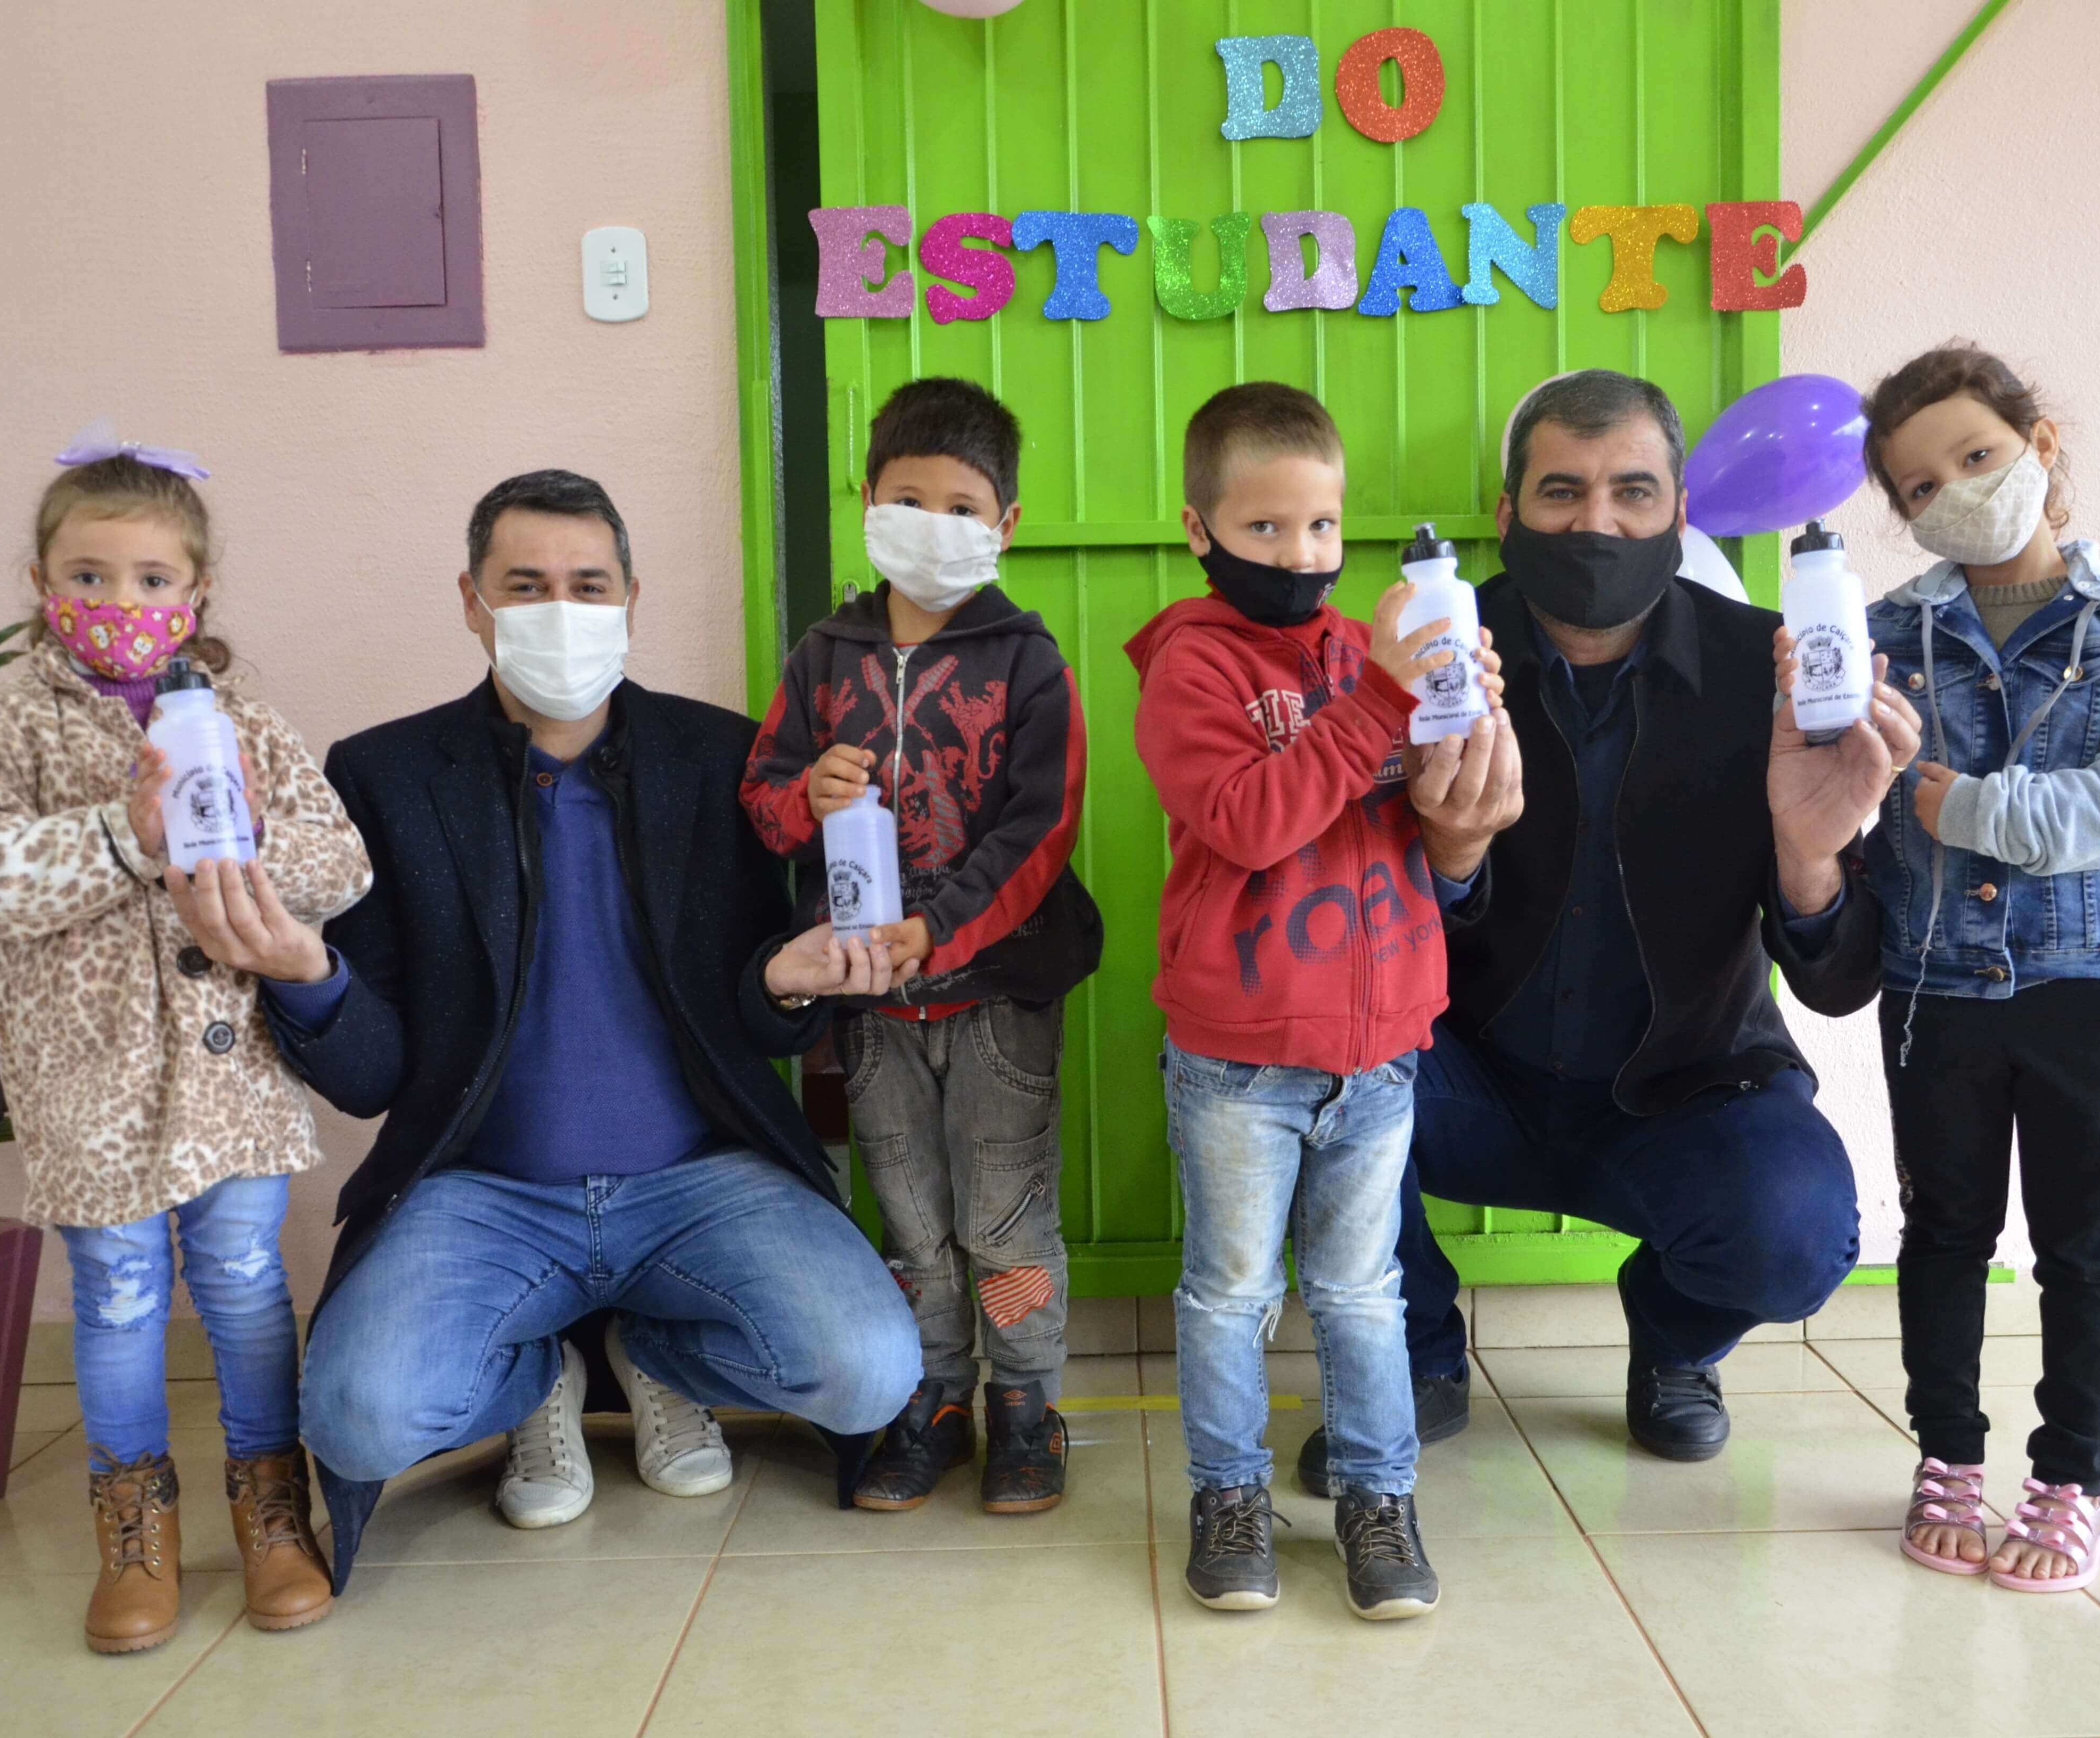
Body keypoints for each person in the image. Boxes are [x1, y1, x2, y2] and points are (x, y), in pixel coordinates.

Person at [169, 469, 923, 1591]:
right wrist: (308, 972)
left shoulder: (720, 759)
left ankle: (651, 1358)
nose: (560, 611)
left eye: (588, 584)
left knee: (867, 1372)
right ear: (472, 602)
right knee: (358, 1418)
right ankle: (537, 1382)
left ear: (631, 599)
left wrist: (785, 978)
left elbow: (752, 1024)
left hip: (702, 1181)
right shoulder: (384, 775)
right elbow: (375, 1079)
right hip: (481, 1193)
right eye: (525, 586)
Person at [1298, 369, 1923, 1494]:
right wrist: (1447, 858)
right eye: (1560, 493)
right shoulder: (1427, 663)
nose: (1596, 523)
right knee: (1282, 1077)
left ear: (1679, 513)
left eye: (1633, 494)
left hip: (1683, 1094)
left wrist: (1810, 850)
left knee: (1797, 1231)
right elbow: (1335, 934)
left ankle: (1676, 1341)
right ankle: (1416, 1355)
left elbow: (1838, 986)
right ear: (1506, 516)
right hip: (1459, 1077)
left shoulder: (1772, 668)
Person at [0, 436, 373, 1652]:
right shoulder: (6, 735)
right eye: (92, 574)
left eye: (152, 579)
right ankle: (134, 1525)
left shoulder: (245, 725)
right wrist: (121, 840)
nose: (123, 603)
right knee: (119, 1296)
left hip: (233, 1078)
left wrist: (244, 851)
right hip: (91, 1084)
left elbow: (343, 866)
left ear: (198, 592)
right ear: (40, 581)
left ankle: (272, 1508)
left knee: (241, 1283)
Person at [1127, 383, 1508, 1621]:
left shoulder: (1366, 654)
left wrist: (1462, 728)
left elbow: (1426, 827)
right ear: (1200, 530)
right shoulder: (1189, 666)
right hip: (1239, 1058)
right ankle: (1227, 1492)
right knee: (1231, 1294)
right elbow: (1245, 821)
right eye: (1268, 531)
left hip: (1382, 1047)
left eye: (1324, 530)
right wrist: (1388, 705)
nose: (1304, 558)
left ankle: (1376, 1495)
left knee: (1363, 1294)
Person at [1861, 342, 2100, 1592]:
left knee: (2082, 1244)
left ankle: (2071, 1478)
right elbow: (1844, 797)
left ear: (2038, 445)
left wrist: (1978, 813)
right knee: (1942, 1230)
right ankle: (1946, 1456)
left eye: (1975, 456)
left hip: (2084, 982)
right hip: (1933, 981)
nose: (1950, 491)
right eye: (1916, 488)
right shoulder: (1887, 632)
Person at [742, 378, 1102, 1514]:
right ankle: (935, 1398)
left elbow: (1038, 834)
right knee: (907, 1214)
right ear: (867, 498)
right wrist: (808, 791)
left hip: (997, 998)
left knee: (1003, 1214)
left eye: (963, 506)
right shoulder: (820, 659)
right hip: (869, 1008)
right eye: (910, 498)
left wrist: (938, 926)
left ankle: (1026, 1404)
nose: (934, 524)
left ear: (1006, 527)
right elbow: (760, 805)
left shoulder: (1028, 663)